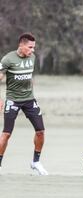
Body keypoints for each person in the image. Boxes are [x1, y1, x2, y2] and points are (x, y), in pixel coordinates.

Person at [0, 33, 48, 175]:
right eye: (30, 47)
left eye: (34, 47)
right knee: (6, 134)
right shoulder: (8, 59)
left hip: (29, 100)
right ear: (21, 45)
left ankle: (36, 162)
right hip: (13, 100)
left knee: (40, 132)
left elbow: (29, 76)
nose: (33, 50)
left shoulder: (32, 58)